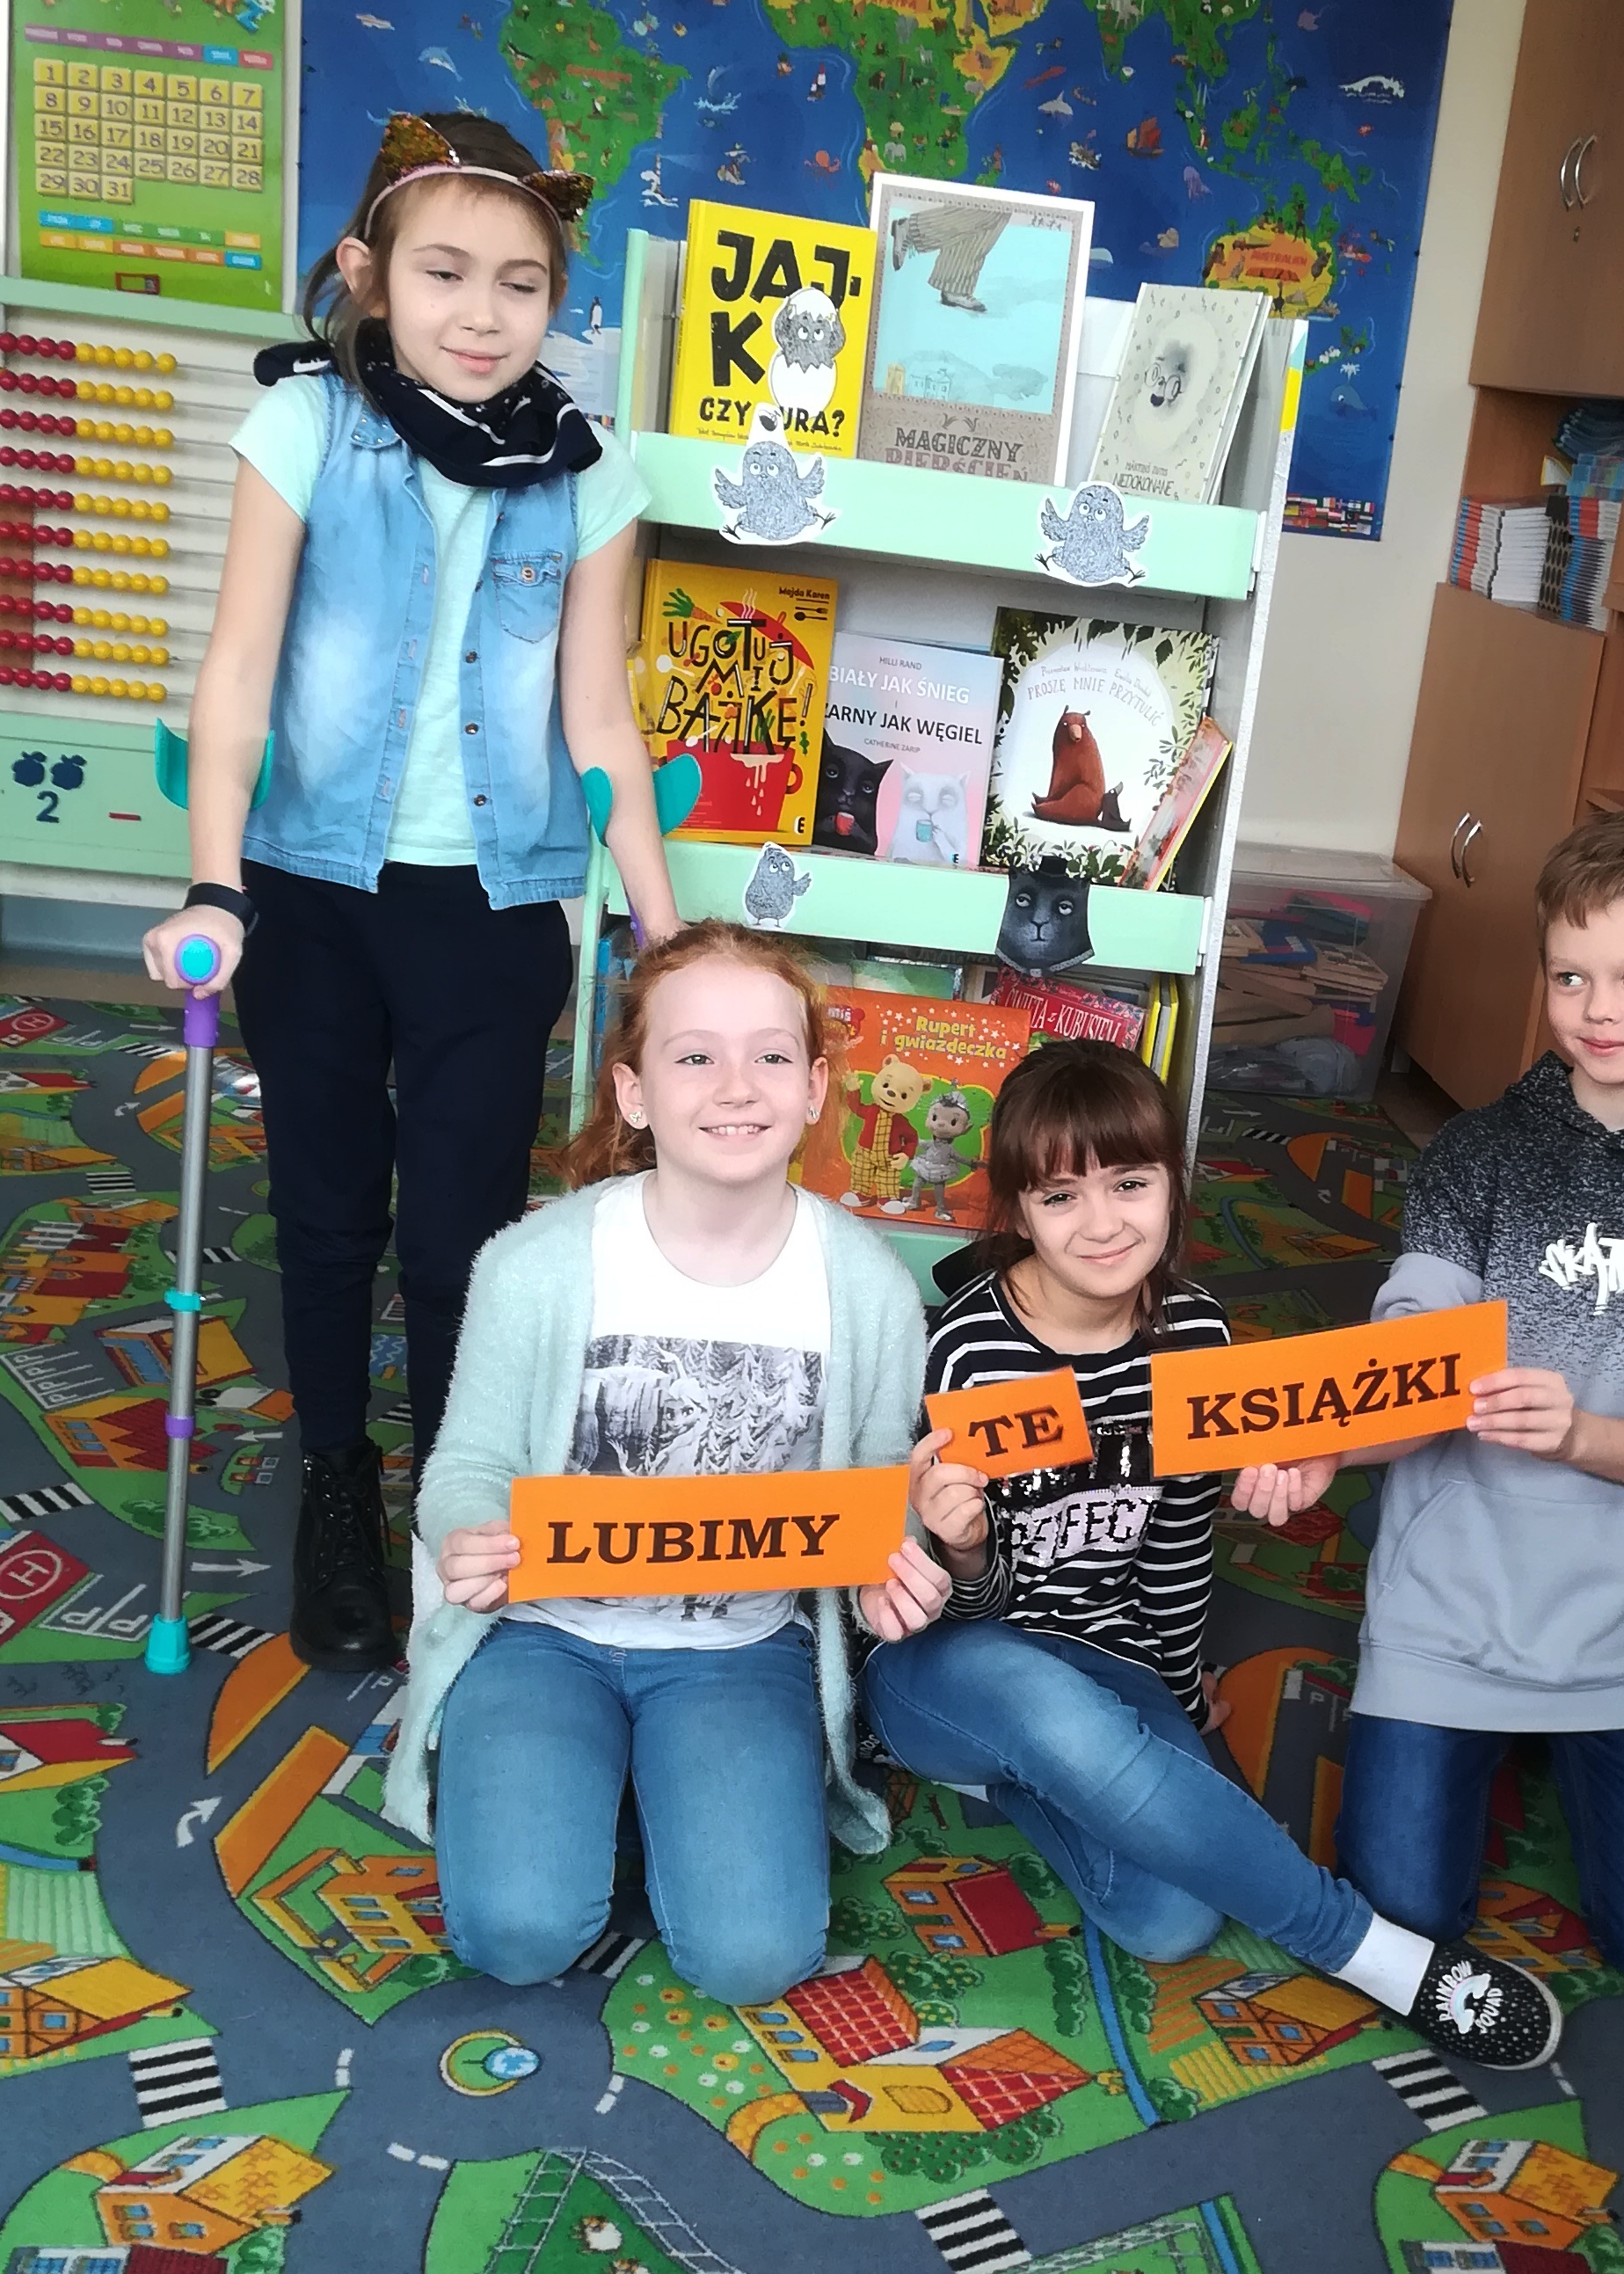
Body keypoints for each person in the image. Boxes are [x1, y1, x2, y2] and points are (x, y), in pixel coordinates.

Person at [141, 113, 679, 1673]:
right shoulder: (306, 426)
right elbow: (238, 668)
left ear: (555, 300)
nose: (482, 313)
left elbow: (598, 716)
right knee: (326, 1217)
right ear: (368, 274)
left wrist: (665, 932)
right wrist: (216, 883)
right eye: (443, 272)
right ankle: (336, 1485)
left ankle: (453, 1502)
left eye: (522, 283)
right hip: (308, 892)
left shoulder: (591, 471)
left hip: (493, 909)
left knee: (462, 1237)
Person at [865, 1039, 1565, 2071]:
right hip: (955, 1662)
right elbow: (942, 1605)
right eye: (1060, 1197)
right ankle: (1368, 1951)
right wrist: (962, 1548)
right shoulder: (968, 1352)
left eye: (1131, 1184)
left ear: (1174, 1181)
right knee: (1045, 1708)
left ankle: (1032, 1776)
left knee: (1172, 1919)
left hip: (1110, 1653)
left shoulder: (1197, 1334)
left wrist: (1181, 1692)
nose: (1104, 1224)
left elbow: (1176, 1542)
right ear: (1017, 1211)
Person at [381, 922, 950, 2001]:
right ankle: (582, 1776)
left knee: (753, 1959)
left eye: (771, 1055)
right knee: (517, 1935)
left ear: (815, 1089)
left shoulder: (867, 1285)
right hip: (545, 1635)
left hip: (738, 1647)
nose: (736, 1086)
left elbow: (883, 1482)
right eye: (695, 1056)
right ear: (634, 1093)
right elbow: (468, 1460)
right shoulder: (535, 1264)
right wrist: (466, 1531)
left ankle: (651, 1785)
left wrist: (893, 1558)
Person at [1334, 808, 1624, 1986]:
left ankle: (1557, 1733)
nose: (1597, 1009)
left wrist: (1581, 1433)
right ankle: (1491, 1726)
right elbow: (1406, 1355)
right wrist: (1323, 1440)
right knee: (1400, 1917)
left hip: (1620, 1634)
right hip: (1443, 1614)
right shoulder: (1478, 1149)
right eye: (1569, 975)